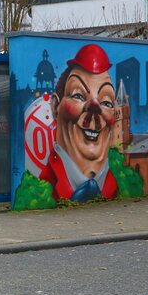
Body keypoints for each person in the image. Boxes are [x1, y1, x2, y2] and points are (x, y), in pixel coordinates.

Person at [38, 43, 119, 201]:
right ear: (55, 106)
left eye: (106, 102)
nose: (94, 106)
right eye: (78, 96)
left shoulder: (118, 185)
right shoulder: (42, 188)